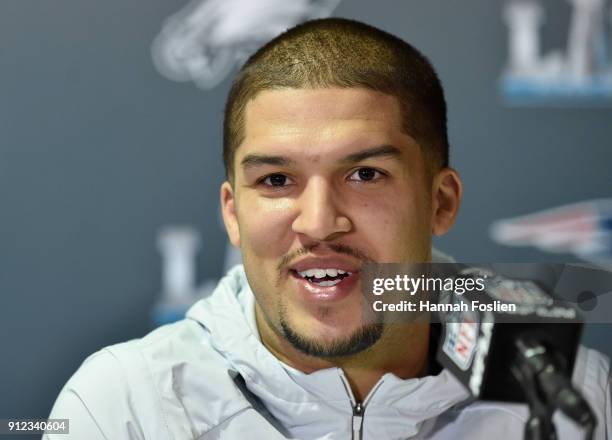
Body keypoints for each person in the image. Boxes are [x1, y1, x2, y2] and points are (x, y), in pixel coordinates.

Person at [45, 18, 611, 439]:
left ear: (439, 202)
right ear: (232, 213)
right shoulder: (125, 404)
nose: (318, 223)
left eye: (365, 174)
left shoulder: (573, 393)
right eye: (275, 180)